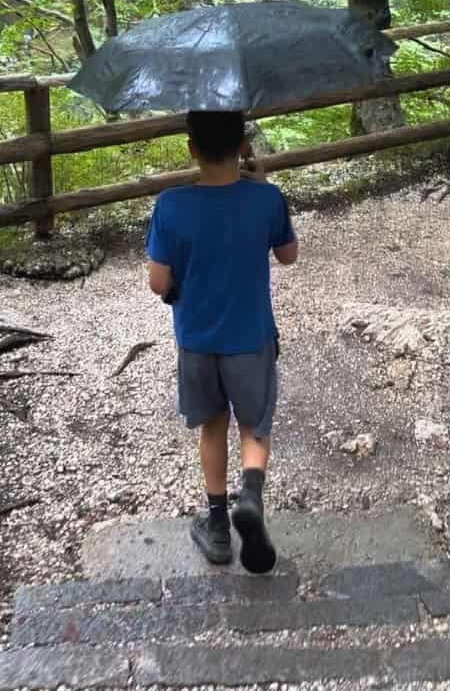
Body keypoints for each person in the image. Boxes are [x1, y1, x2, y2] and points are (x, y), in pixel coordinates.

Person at [146, 110, 298, 574]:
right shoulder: (266, 199)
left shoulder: (170, 205)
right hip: (251, 338)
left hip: (196, 341)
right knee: (254, 427)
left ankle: (216, 527)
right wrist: (263, 183)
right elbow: (288, 256)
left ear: (192, 148)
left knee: (213, 426)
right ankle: (249, 497)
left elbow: (158, 282)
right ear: (243, 145)